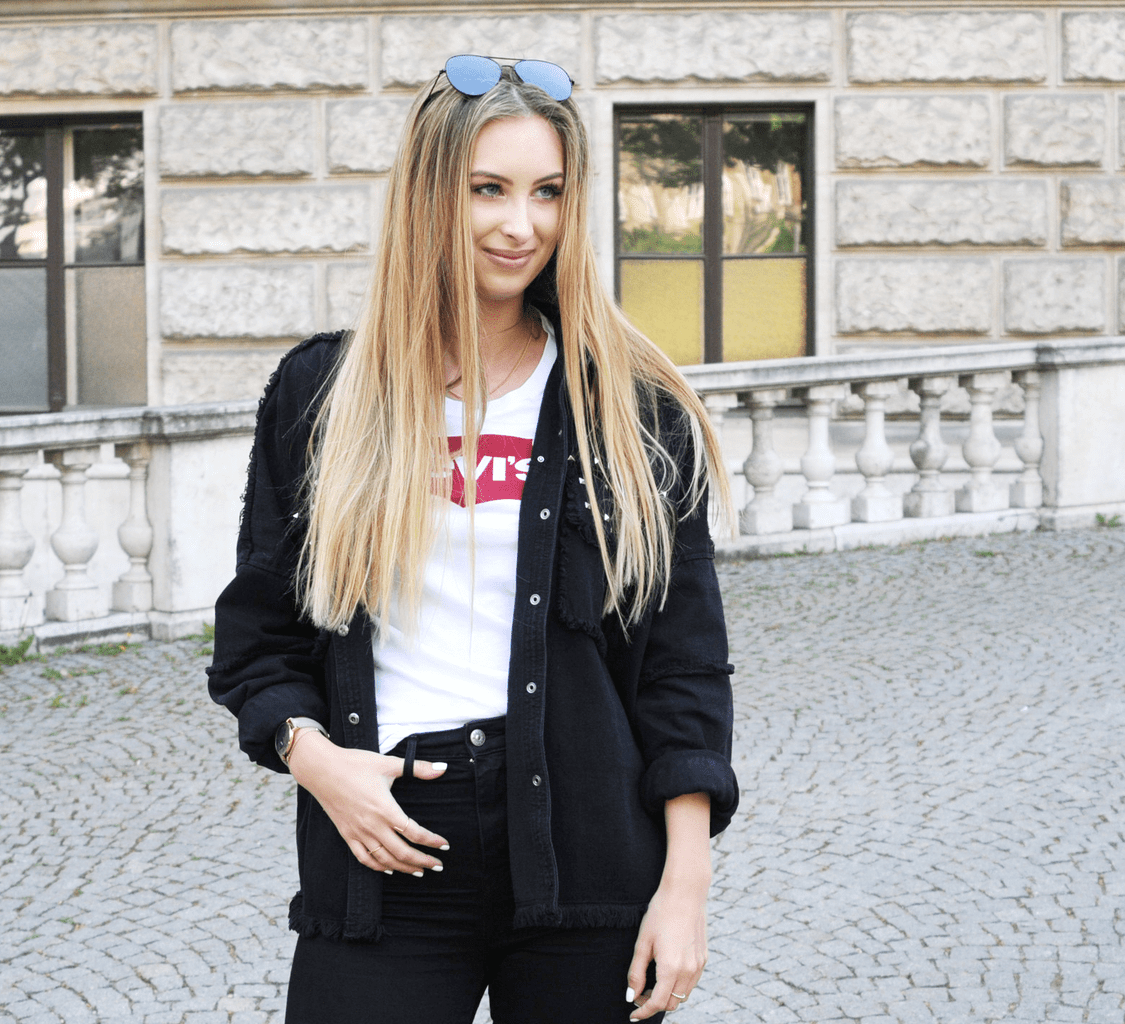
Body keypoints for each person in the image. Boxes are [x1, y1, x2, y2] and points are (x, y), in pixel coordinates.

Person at [207, 54, 738, 1024]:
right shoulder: (323, 395)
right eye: (487, 188)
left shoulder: (628, 409)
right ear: (429, 195)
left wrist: (685, 889)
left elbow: (684, 668)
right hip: (385, 847)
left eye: (548, 192)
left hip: (584, 849)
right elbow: (258, 641)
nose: (520, 223)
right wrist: (318, 761)